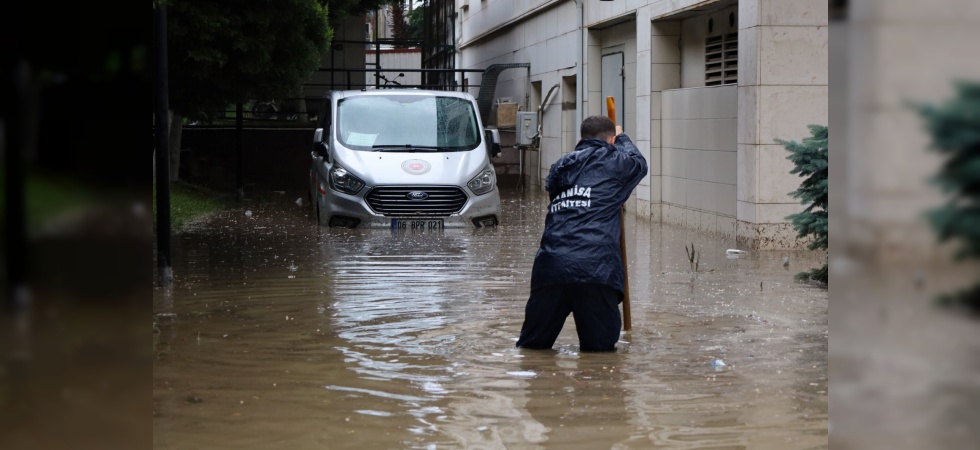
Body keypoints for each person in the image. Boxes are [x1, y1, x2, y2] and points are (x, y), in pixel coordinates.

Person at [516, 115, 648, 352]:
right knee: (600, 354)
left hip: (551, 266)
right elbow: (639, 163)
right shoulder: (616, 161)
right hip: (596, 269)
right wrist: (622, 137)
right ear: (612, 140)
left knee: (532, 349)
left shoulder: (561, 165)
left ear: (580, 139)